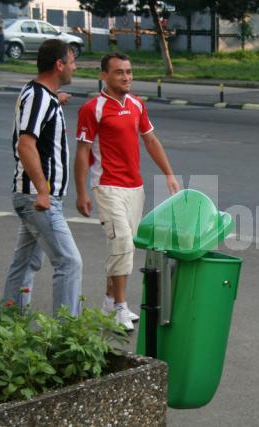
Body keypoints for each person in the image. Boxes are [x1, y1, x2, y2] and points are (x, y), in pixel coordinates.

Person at [75, 52, 180, 331]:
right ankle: (121, 306)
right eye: (119, 72)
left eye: (129, 71)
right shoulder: (92, 108)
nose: (126, 77)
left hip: (135, 188)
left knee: (125, 247)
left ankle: (110, 302)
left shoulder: (136, 105)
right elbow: (82, 152)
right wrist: (81, 192)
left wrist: (169, 174)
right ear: (104, 76)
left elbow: (151, 140)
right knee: (120, 241)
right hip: (107, 185)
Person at [3, 39, 82, 316]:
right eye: (72, 61)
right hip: (37, 198)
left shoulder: (42, 95)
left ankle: (9, 329)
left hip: (33, 196)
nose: (75, 67)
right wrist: (42, 190)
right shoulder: (38, 97)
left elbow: (38, 113)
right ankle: (66, 337)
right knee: (69, 262)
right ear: (59, 65)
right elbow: (26, 144)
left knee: (25, 264)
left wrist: (55, 101)